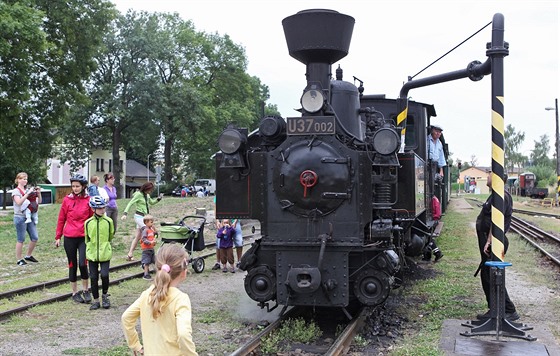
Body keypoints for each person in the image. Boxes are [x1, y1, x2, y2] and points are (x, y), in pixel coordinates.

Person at [121, 243, 198, 356]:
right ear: (184, 272)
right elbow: (183, 334)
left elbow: (126, 318)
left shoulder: (146, 295)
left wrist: (136, 345)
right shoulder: (180, 299)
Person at [475, 171, 519, 321]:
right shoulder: (496, 195)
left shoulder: (502, 196)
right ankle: (495, 308)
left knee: (491, 274)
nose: (487, 177)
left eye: (489, 175)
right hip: (492, 241)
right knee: (488, 274)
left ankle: (508, 309)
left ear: (496, 178)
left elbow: (497, 221)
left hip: (494, 241)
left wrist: (489, 240)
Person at [55, 174, 93, 303]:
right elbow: (61, 219)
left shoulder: (88, 200)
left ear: (83, 187)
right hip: (69, 237)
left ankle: (86, 290)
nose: (75, 188)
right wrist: (58, 236)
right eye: (73, 186)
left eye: (77, 186)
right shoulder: (67, 200)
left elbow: (92, 219)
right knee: (72, 265)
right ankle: (74, 292)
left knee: (83, 264)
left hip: (83, 237)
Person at [85, 196, 115, 310]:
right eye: (100, 208)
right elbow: (87, 238)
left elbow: (110, 235)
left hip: (105, 253)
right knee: (93, 278)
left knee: (104, 275)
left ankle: (105, 296)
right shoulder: (88, 223)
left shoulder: (108, 221)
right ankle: (96, 300)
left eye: (104, 207)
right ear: (93, 209)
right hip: (92, 254)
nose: (103, 210)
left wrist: (105, 245)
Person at [122, 182, 163, 261]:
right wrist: (125, 213)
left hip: (145, 217)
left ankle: (130, 254)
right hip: (139, 216)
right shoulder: (138, 195)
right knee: (146, 229)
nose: (150, 192)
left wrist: (158, 199)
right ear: (145, 188)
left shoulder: (147, 195)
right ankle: (147, 251)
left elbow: (151, 202)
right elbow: (130, 203)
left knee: (137, 236)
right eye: (149, 190)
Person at [12, 172, 41, 266]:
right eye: (23, 179)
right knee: (21, 238)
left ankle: (28, 255)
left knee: (35, 237)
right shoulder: (15, 191)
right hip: (20, 217)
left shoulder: (27, 190)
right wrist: (27, 194)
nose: (25, 180)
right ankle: (19, 259)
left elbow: (39, 201)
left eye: (26, 179)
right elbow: (19, 202)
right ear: (18, 180)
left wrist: (38, 194)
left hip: (30, 216)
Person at [422, 195, 444, 262]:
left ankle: (436, 253)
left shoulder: (434, 199)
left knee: (429, 238)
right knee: (429, 238)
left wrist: (432, 217)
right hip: (435, 219)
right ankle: (434, 254)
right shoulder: (435, 198)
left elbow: (436, 211)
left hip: (434, 219)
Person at [140, 214, 158, 280]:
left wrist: (155, 229)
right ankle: (146, 275)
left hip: (151, 248)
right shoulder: (145, 230)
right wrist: (150, 242)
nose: (152, 223)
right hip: (146, 249)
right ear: (146, 222)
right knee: (147, 262)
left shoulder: (151, 230)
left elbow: (155, 234)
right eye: (151, 222)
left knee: (154, 260)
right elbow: (143, 239)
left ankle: (158, 272)